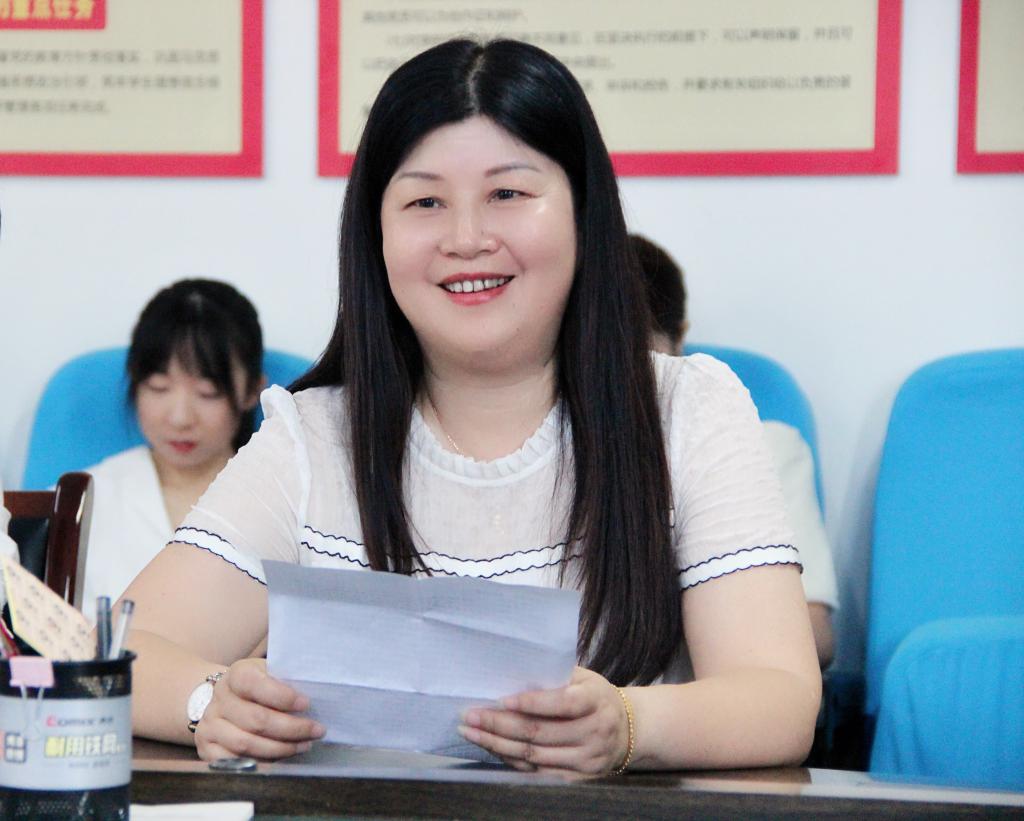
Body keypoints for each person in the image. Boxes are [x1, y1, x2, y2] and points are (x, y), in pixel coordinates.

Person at [122, 39, 820, 774]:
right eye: (425, 202)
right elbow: (119, 649)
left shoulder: (688, 411)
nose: (466, 239)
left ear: (584, 212)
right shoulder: (314, 437)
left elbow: (778, 697)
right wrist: (209, 702)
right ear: (376, 233)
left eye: (508, 194)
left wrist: (628, 723)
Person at [630, 234, 839, 668]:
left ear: (680, 340)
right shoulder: (534, 454)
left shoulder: (764, 447)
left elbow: (816, 636)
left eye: (639, 359)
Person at [80, 279, 265, 624]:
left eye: (207, 393)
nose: (180, 418)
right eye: (159, 387)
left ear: (253, 391)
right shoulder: (86, 496)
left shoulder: (281, 499)